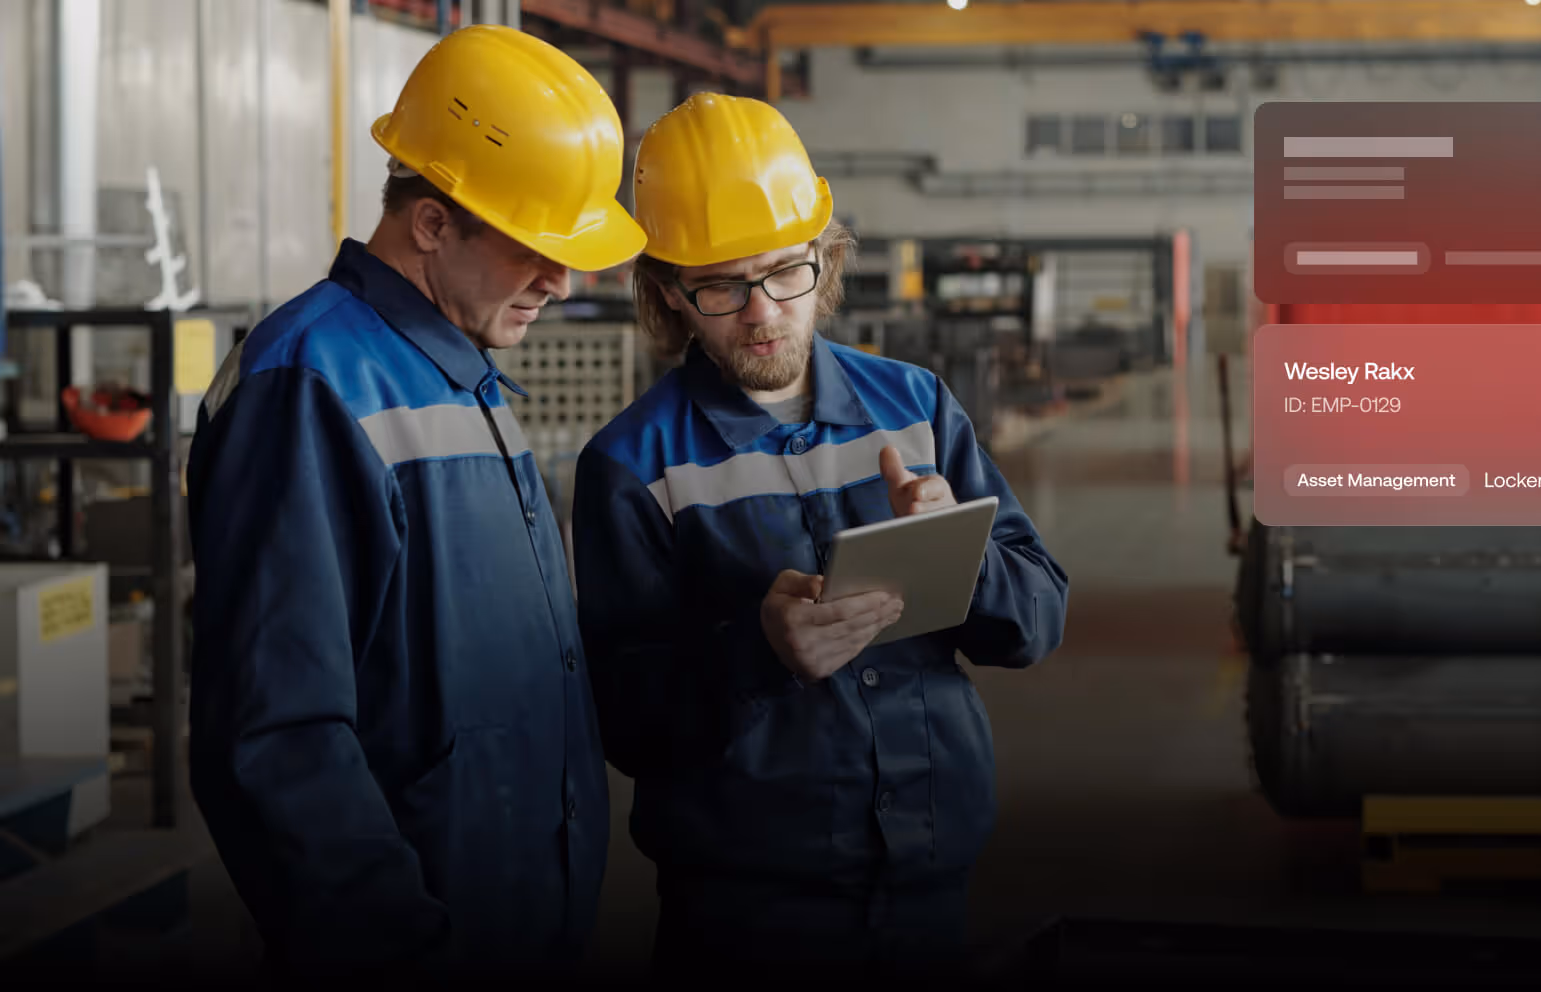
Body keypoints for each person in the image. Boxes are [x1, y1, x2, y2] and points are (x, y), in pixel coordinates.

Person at [570, 93, 1068, 981]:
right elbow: (628, 721)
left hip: (930, 874)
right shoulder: (632, 466)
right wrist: (758, 658)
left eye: (783, 273)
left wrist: (965, 552)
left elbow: (1036, 620)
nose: (762, 313)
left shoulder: (915, 408)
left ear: (824, 260)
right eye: (720, 285)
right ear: (669, 295)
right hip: (747, 916)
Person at [186, 25, 643, 978]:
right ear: (432, 223)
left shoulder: (457, 373)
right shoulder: (311, 384)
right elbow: (277, 738)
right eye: (533, 247)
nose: (561, 283)